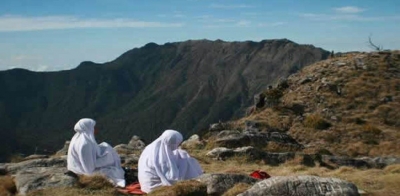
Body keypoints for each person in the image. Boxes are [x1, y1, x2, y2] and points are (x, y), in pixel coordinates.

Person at [138, 130, 203, 193]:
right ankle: (195, 178)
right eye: (177, 143)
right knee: (186, 161)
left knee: (181, 154)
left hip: (145, 185)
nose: (177, 145)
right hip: (155, 187)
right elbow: (171, 178)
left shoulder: (152, 147)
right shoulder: (161, 158)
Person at [67, 118, 126, 187]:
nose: (96, 129)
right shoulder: (85, 144)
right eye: (93, 127)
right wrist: (106, 160)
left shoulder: (78, 137)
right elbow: (89, 168)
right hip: (81, 171)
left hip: (77, 168)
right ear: (88, 128)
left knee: (107, 149)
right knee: (115, 171)